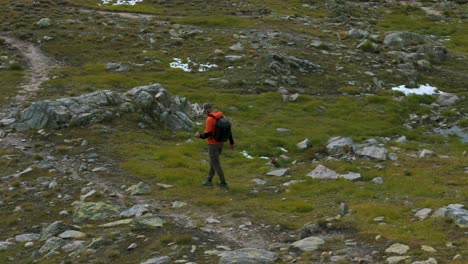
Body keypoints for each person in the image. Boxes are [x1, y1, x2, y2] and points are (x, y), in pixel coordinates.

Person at [194, 103, 234, 189]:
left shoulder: (210, 119)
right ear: (212, 108)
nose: (205, 112)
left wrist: (199, 135)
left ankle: (223, 183)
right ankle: (209, 180)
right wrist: (231, 143)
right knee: (213, 162)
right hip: (221, 144)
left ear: (206, 110)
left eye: (204, 110)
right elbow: (228, 130)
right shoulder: (222, 116)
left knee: (216, 164)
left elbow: (207, 134)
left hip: (212, 145)